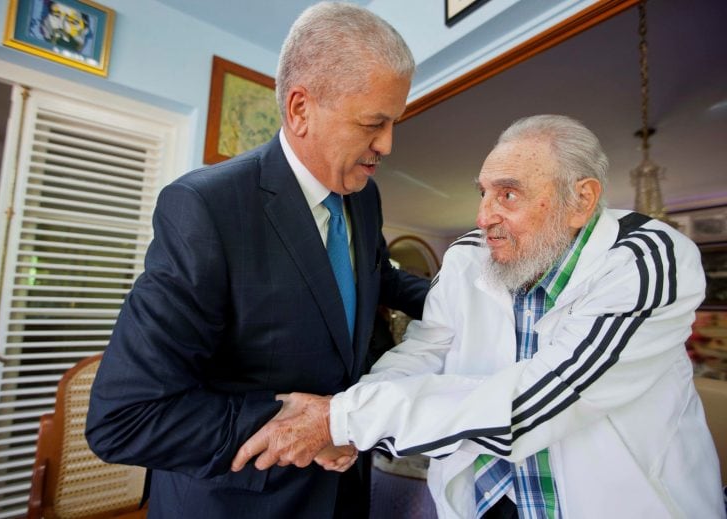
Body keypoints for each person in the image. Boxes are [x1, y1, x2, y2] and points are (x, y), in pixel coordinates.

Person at [231, 115, 725, 518]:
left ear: (581, 200)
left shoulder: (648, 261)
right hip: (487, 502)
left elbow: (542, 400)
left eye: (507, 194)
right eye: (483, 192)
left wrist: (340, 420)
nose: (483, 215)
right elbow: (425, 351)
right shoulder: (469, 256)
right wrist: (355, 416)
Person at [85, 3, 429, 518]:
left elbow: (378, 276)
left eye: (393, 122)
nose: (387, 144)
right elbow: (126, 418)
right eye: (373, 123)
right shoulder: (207, 209)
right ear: (299, 109)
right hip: (238, 503)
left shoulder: (364, 197)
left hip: (344, 495)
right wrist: (299, 424)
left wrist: (473, 294)